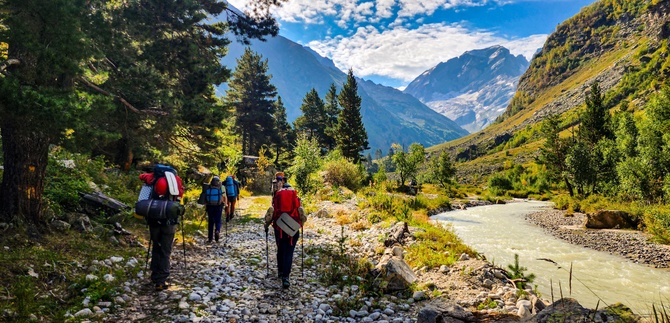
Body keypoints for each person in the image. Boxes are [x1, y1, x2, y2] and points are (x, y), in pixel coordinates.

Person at [139, 164, 184, 291]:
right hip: (169, 222)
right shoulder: (175, 182)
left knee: (156, 247)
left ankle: (154, 276)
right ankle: (161, 280)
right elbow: (179, 200)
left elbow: (141, 200)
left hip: (154, 220)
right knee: (166, 250)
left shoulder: (150, 181)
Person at [264, 174, 307, 289]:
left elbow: (272, 212)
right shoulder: (295, 197)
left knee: (281, 249)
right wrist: (300, 224)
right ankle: (286, 277)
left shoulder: (277, 196)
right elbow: (301, 213)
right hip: (293, 229)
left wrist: (266, 226)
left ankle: (280, 271)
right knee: (289, 252)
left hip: (279, 227)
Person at [205, 176, 227, 243]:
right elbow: (224, 196)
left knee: (211, 222)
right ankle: (217, 230)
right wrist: (225, 204)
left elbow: (205, 196)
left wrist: (206, 205)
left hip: (210, 206)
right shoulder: (221, 187)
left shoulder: (209, 187)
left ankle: (210, 238)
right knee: (218, 220)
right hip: (218, 205)